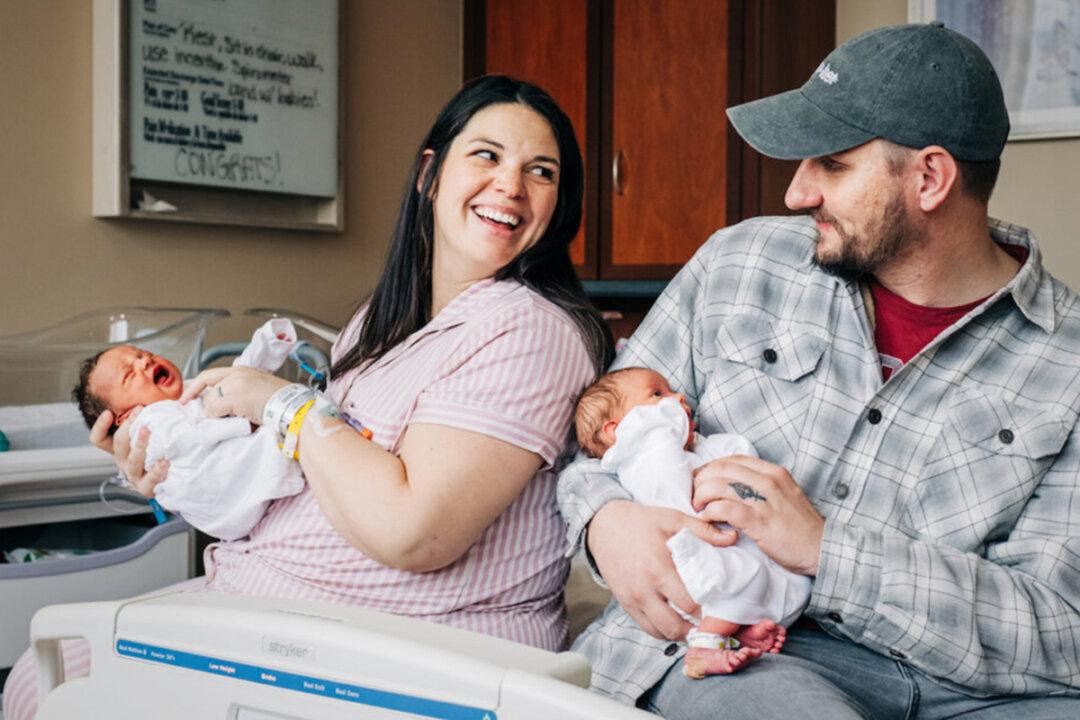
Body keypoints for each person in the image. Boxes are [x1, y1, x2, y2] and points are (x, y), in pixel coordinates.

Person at [2, 75, 613, 720]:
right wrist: (180, 474)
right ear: (430, 176)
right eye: (486, 155)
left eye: (540, 171)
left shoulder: (533, 330)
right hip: (281, 615)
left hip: (406, 646)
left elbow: (413, 533)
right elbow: (302, 487)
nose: (511, 186)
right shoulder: (382, 321)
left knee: (59, 689)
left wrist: (281, 403)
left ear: (558, 203)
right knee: (44, 674)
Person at [558, 22, 1080, 718]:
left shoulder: (1066, 360)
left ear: (929, 179)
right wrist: (604, 521)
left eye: (830, 165)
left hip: (964, 691)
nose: (797, 193)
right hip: (737, 654)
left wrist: (829, 552)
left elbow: (1059, 630)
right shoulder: (738, 266)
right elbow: (599, 432)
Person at [574, 367, 809, 678]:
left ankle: (734, 634)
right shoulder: (645, 451)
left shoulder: (686, 448)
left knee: (755, 582)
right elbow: (663, 452)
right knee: (739, 579)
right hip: (682, 556)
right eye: (657, 394)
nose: (678, 397)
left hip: (709, 545)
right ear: (615, 431)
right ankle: (704, 648)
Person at [71, 319, 306, 540]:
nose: (145, 362)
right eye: (130, 374)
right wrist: (244, 425)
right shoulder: (148, 424)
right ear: (124, 416)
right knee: (266, 429)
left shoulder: (183, 394)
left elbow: (237, 381)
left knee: (239, 385)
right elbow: (192, 439)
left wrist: (264, 347)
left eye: (145, 355)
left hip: (243, 486)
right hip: (228, 504)